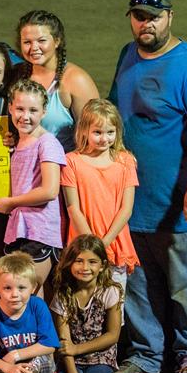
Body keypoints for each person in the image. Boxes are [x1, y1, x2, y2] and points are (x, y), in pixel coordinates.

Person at [109, 0, 187, 373]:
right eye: (139, 16)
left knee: (186, 286)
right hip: (133, 201)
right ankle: (146, 356)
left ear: (170, 17)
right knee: (138, 286)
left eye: (154, 17)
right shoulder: (127, 56)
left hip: (179, 203)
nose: (147, 24)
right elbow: (115, 117)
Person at [0, 79, 66, 294]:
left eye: (33, 110)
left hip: (40, 230)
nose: (25, 116)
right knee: (24, 297)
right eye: (20, 109)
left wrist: (12, 203)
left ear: (44, 111)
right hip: (18, 229)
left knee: (27, 293)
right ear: (10, 108)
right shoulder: (16, 142)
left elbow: (50, 190)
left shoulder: (47, 142)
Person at [61, 98, 139, 288]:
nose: (104, 138)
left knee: (113, 301)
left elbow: (126, 209)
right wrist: (92, 247)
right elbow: (73, 208)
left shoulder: (125, 161)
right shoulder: (71, 161)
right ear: (84, 131)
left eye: (110, 132)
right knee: (82, 301)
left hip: (115, 244)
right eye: (97, 132)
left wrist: (104, 243)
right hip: (83, 247)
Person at [50, 235, 123, 373]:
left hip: (100, 357)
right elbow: (64, 341)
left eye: (92, 262)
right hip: (71, 360)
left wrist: (77, 349)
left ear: (102, 265)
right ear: (70, 263)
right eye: (79, 261)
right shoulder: (63, 294)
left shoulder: (109, 291)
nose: (85, 267)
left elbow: (113, 335)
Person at [6, 10, 99, 151]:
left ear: (57, 41)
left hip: (61, 164)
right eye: (27, 42)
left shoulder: (77, 80)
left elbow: (95, 136)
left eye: (41, 41)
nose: (34, 48)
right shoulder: (16, 75)